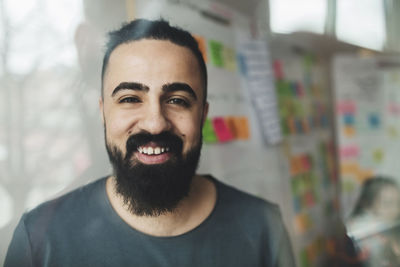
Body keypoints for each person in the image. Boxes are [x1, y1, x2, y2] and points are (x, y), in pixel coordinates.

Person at [4, 19, 295, 267]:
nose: (155, 123)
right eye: (130, 99)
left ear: (202, 115)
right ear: (104, 112)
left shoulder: (262, 227)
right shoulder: (40, 240)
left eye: (178, 101)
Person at [346, 176, 400, 267]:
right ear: (367, 205)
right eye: (388, 203)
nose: (396, 210)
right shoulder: (364, 230)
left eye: (398, 203)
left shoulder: (388, 224)